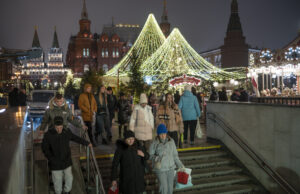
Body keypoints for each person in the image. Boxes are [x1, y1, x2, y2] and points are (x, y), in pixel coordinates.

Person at [42, 116, 92, 194]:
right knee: (57, 181)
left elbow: (76, 138)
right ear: (54, 126)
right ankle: (58, 192)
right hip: (55, 163)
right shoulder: (48, 135)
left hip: (66, 160)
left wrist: (87, 143)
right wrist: (51, 158)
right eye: (57, 128)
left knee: (69, 178)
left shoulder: (66, 132)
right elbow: (45, 148)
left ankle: (66, 191)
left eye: (60, 127)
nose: (59, 130)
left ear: (63, 126)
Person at [149, 124, 184, 194]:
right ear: (158, 134)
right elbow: (150, 155)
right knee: (164, 187)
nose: (163, 136)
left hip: (171, 168)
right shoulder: (155, 143)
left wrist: (180, 165)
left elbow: (175, 156)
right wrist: (157, 158)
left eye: (164, 133)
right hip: (160, 169)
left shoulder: (171, 141)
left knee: (170, 188)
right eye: (161, 134)